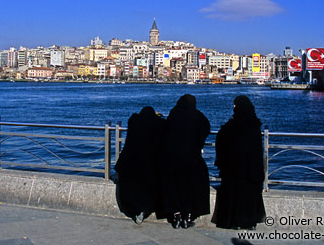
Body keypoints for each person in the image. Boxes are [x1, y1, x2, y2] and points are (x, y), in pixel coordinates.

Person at [211, 95, 266, 230]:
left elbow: (222, 139)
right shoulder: (254, 124)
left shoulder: (233, 125)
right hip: (251, 168)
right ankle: (250, 221)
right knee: (250, 195)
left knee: (235, 194)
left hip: (234, 167)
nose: (233, 107)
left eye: (235, 105)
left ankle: (235, 221)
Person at [160, 94, 210, 229]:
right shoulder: (197, 115)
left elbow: (166, 131)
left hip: (172, 158)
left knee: (173, 186)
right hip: (191, 158)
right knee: (189, 186)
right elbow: (206, 127)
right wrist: (198, 143)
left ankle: (176, 216)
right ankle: (187, 217)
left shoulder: (174, 114)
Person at [114, 106, 165, 224]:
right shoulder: (156, 124)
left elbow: (133, 117)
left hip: (132, 162)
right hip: (150, 164)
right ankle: (144, 210)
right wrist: (157, 115)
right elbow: (163, 123)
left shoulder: (135, 123)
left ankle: (135, 210)